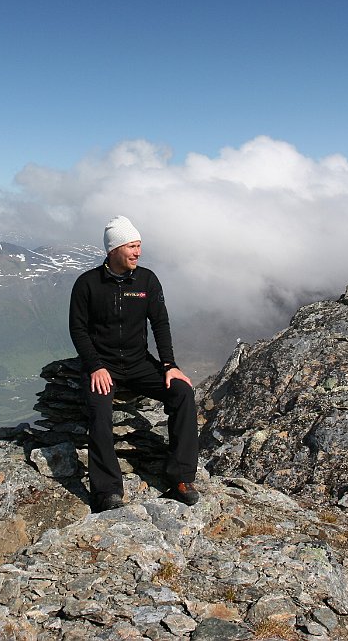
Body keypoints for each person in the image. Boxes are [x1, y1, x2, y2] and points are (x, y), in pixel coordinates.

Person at [69, 215, 200, 511]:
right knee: (99, 412)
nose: (138, 252)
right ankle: (107, 492)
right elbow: (77, 329)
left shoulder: (147, 281)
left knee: (182, 393)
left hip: (140, 363)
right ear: (114, 249)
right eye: (131, 246)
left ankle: (180, 476)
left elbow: (160, 323)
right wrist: (95, 365)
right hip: (103, 366)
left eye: (139, 245)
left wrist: (169, 365)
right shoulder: (87, 284)